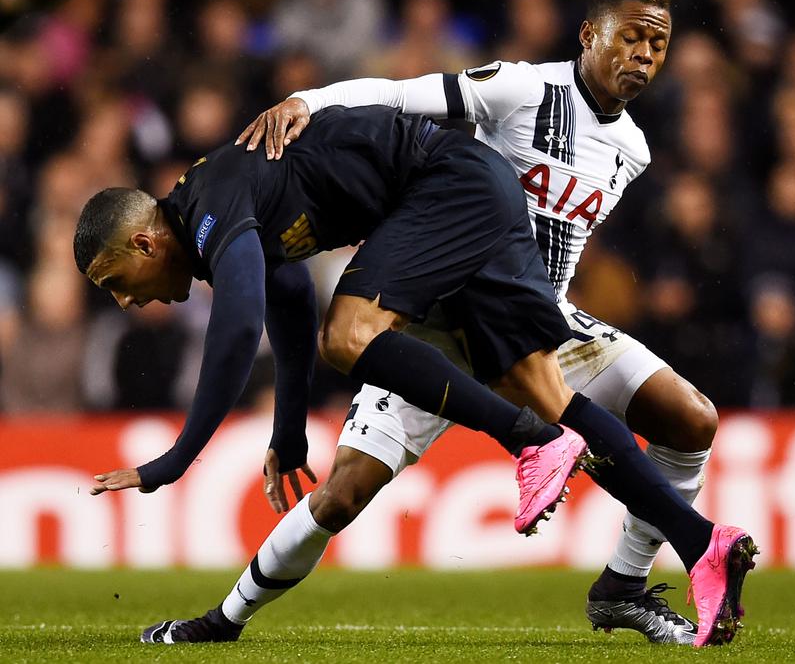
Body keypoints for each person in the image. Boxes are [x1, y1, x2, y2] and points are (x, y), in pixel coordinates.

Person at [74, 105, 756, 648]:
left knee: (349, 335)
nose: (127, 303)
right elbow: (284, 299)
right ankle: (701, 542)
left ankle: (530, 442)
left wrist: (174, 461)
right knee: (543, 396)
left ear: (143, 242)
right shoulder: (230, 205)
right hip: (457, 216)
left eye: (116, 282)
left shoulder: (210, 209)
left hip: (446, 193)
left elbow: (238, 327)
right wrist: (287, 432)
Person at [231, 0, 720, 644]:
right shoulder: (523, 88)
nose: (643, 54)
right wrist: (310, 99)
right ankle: (222, 620)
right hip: (439, 319)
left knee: (691, 420)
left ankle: (623, 588)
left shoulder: (631, 149)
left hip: (538, 324)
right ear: (589, 34)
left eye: (656, 46)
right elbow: (402, 95)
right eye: (631, 37)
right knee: (341, 493)